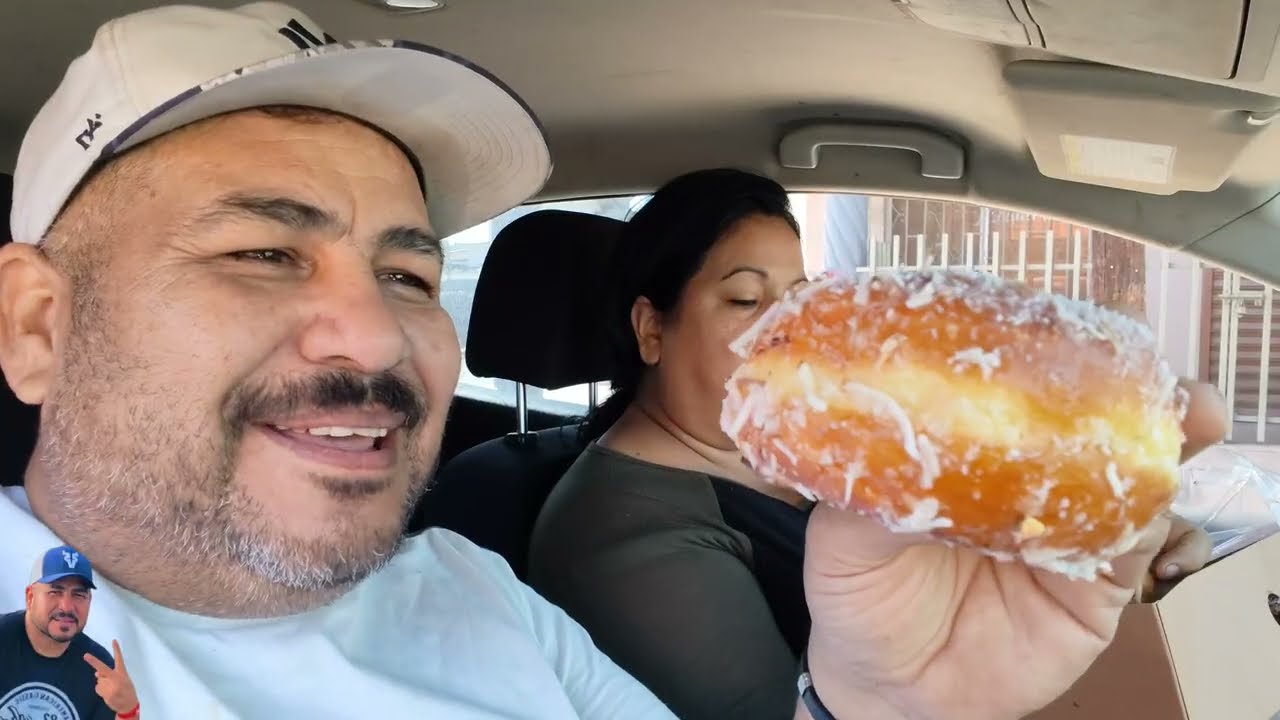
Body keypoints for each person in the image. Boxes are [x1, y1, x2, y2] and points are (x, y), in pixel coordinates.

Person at [0, 3, 1226, 719]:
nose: (375, 338)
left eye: (409, 274)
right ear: (39, 326)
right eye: (265, 252)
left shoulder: (478, 596)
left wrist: (880, 710)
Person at [528, 168, 1218, 720]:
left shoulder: (808, 451)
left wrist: (1096, 526)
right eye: (745, 300)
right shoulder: (616, 541)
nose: (786, 332)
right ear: (652, 328)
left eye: (797, 297)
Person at [1, 546, 139, 719]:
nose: (66, 606)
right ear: (30, 597)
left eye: (78, 595)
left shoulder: (99, 670)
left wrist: (128, 711)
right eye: (55, 592)